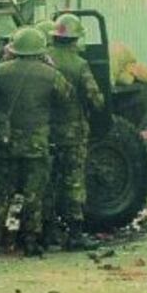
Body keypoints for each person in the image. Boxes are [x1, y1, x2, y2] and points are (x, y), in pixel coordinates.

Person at [0, 27, 73, 257]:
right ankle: (30, 241)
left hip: (7, 142)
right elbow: (66, 96)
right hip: (36, 143)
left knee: (3, 190)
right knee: (34, 193)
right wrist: (51, 67)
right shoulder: (50, 74)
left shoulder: (1, 71)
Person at [41, 14, 106, 251]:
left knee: (49, 181)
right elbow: (95, 99)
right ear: (75, 39)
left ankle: (48, 233)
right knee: (73, 181)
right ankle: (75, 234)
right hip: (73, 133)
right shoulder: (79, 64)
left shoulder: (43, 59)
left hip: (46, 131)